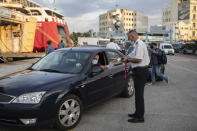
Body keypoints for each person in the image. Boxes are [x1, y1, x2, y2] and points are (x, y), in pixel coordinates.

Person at [123, 30, 150, 123]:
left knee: (139, 95)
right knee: (137, 95)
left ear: (132, 36)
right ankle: (137, 113)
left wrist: (128, 59)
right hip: (139, 71)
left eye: (128, 37)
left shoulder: (140, 44)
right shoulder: (136, 44)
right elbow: (132, 54)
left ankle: (140, 117)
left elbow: (138, 59)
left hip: (141, 71)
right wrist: (125, 57)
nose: (128, 39)